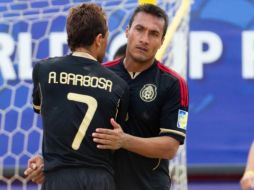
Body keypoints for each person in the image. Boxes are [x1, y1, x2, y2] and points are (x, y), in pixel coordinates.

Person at [25, 4, 189, 190]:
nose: (144, 39)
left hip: (148, 186)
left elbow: (170, 147)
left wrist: (124, 140)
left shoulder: (174, 84)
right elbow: (75, 128)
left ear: (162, 41)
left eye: (154, 34)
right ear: (127, 32)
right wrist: (51, 162)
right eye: (139, 29)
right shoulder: (102, 74)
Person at [27, 3, 129, 190]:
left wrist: (46, 161)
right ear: (99, 39)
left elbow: (51, 116)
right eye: (106, 37)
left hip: (59, 178)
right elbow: (119, 140)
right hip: (100, 180)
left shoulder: (44, 70)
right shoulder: (118, 85)